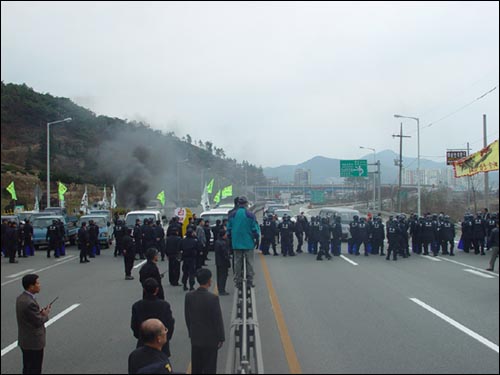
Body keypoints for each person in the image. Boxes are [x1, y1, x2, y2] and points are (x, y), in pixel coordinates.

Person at [184, 269, 225, 374]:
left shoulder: (189, 296)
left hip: (196, 337)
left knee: (196, 366)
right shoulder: (213, 298)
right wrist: (221, 337)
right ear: (209, 281)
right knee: (210, 366)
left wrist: (191, 332)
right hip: (210, 339)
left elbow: (187, 317)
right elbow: (217, 320)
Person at [16, 274, 51, 374]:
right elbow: (38, 321)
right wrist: (45, 314)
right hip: (33, 341)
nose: (39, 285)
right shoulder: (29, 302)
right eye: (37, 283)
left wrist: (38, 313)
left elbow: (30, 316)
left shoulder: (21, 298)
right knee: (35, 367)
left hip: (25, 339)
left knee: (27, 366)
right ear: (31, 286)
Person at [131, 278, 175, 357]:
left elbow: (134, 325)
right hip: (160, 343)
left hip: (143, 341)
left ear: (144, 290)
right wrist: (166, 338)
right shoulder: (164, 305)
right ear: (157, 290)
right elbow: (170, 324)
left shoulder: (137, 305)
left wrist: (140, 336)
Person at [227, 196, 260, 288]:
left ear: (238, 203)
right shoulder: (250, 215)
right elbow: (254, 229)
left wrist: (231, 240)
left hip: (236, 243)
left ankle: (238, 280)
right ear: (246, 204)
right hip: (248, 243)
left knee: (237, 262)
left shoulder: (232, 215)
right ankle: (250, 280)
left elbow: (228, 229)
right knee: (250, 262)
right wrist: (256, 240)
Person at [214, 230, 231, 295]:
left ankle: (219, 288)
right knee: (223, 276)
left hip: (218, 262)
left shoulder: (217, 242)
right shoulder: (223, 243)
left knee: (219, 276)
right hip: (223, 262)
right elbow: (225, 254)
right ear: (223, 235)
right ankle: (222, 290)